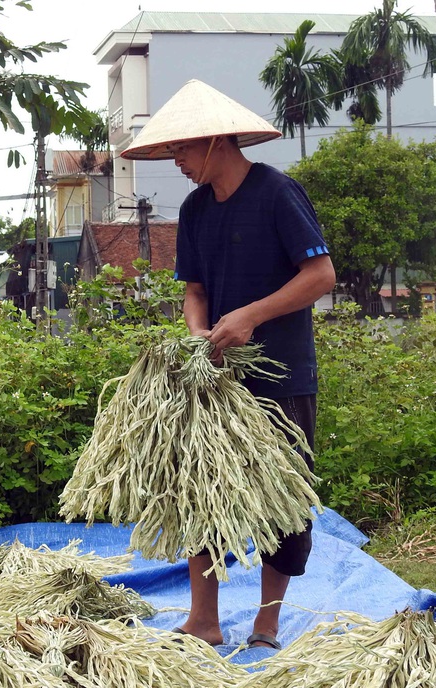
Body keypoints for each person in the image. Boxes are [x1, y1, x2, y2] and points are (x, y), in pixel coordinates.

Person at [120, 80, 337, 651]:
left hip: (282, 375)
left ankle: (267, 624)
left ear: (217, 142)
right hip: (216, 382)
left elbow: (320, 276)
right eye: (172, 152)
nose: (179, 162)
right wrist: (198, 336)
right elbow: (194, 290)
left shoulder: (276, 193)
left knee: (284, 503)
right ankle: (204, 619)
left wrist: (250, 317)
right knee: (200, 488)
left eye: (184, 150)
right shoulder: (193, 210)